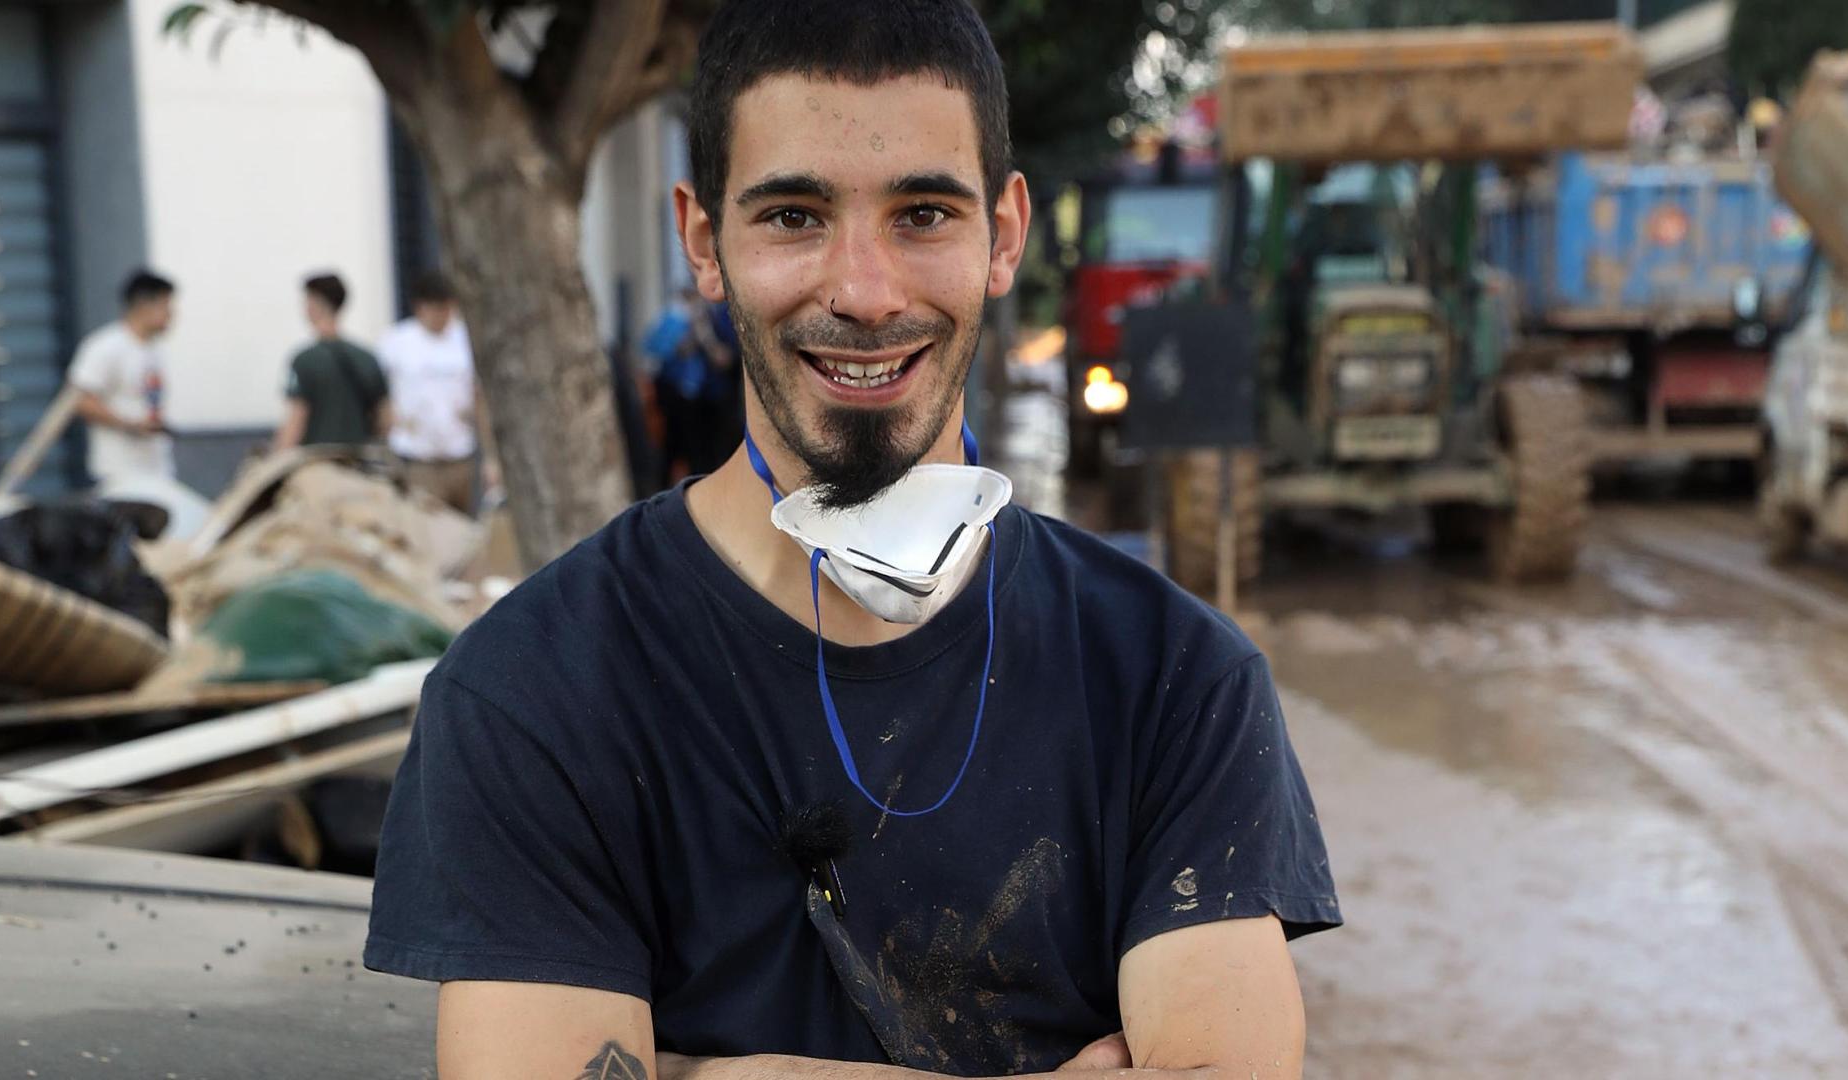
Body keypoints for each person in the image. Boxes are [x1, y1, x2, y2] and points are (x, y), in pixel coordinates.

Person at [365, 2, 1339, 1078]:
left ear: (1004, 237)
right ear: (704, 241)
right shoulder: (532, 691)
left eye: (924, 213)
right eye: (793, 217)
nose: (866, 294)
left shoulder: (1174, 676)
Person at [378, 270, 481, 513]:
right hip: (417, 457)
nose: (442, 317)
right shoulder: (396, 341)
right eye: (436, 309)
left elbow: (478, 395)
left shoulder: (463, 339)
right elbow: (379, 393)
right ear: (420, 307)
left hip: (459, 453)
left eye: (447, 309)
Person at [69, 269, 177, 484]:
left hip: (156, 466)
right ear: (145, 306)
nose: (172, 315)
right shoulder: (107, 346)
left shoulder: (153, 349)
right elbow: (81, 401)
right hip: (120, 470)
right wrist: (130, 425)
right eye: (166, 306)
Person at [272, 272, 390, 452]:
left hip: (316, 462)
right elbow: (386, 419)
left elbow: (296, 421)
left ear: (315, 305)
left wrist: (277, 456)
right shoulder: (367, 358)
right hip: (359, 460)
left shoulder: (304, 360)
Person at [644, 286, 742, 479]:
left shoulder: (721, 320)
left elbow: (724, 359)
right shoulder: (677, 322)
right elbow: (659, 351)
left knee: (715, 454)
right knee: (684, 451)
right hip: (689, 400)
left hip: (718, 401)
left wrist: (705, 336)